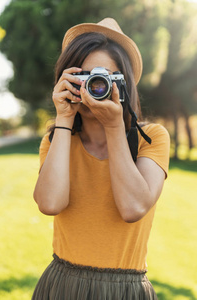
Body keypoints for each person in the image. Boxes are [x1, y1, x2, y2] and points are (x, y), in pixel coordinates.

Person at [32, 18, 170, 300]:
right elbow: (49, 203)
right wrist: (64, 117)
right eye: (85, 77)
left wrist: (115, 127)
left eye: (106, 77)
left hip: (125, 290)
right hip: (62, 285)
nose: (95, 86)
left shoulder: (152, 137)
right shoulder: (57, 140)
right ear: (67, 80)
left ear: (124, 84)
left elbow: (133, 208)